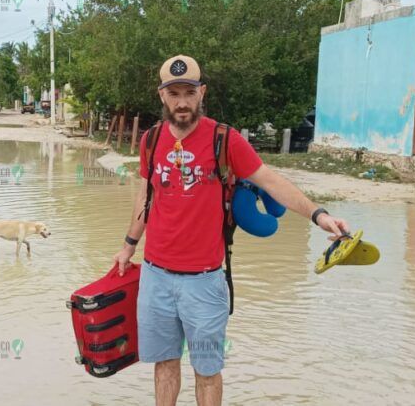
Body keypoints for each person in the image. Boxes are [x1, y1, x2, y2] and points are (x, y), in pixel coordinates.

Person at [113, 55, 351, 406]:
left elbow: (272, 182)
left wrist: (319, 215)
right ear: (162, 95)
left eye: (189, 92)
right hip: (155, 277)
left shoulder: (225, 140)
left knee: (207, 371)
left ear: (202, 93)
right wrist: (129, 245)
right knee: (164, 365)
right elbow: (145, 197)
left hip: (205, 282)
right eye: (174, 93)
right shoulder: (150, 141)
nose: (182, 102)